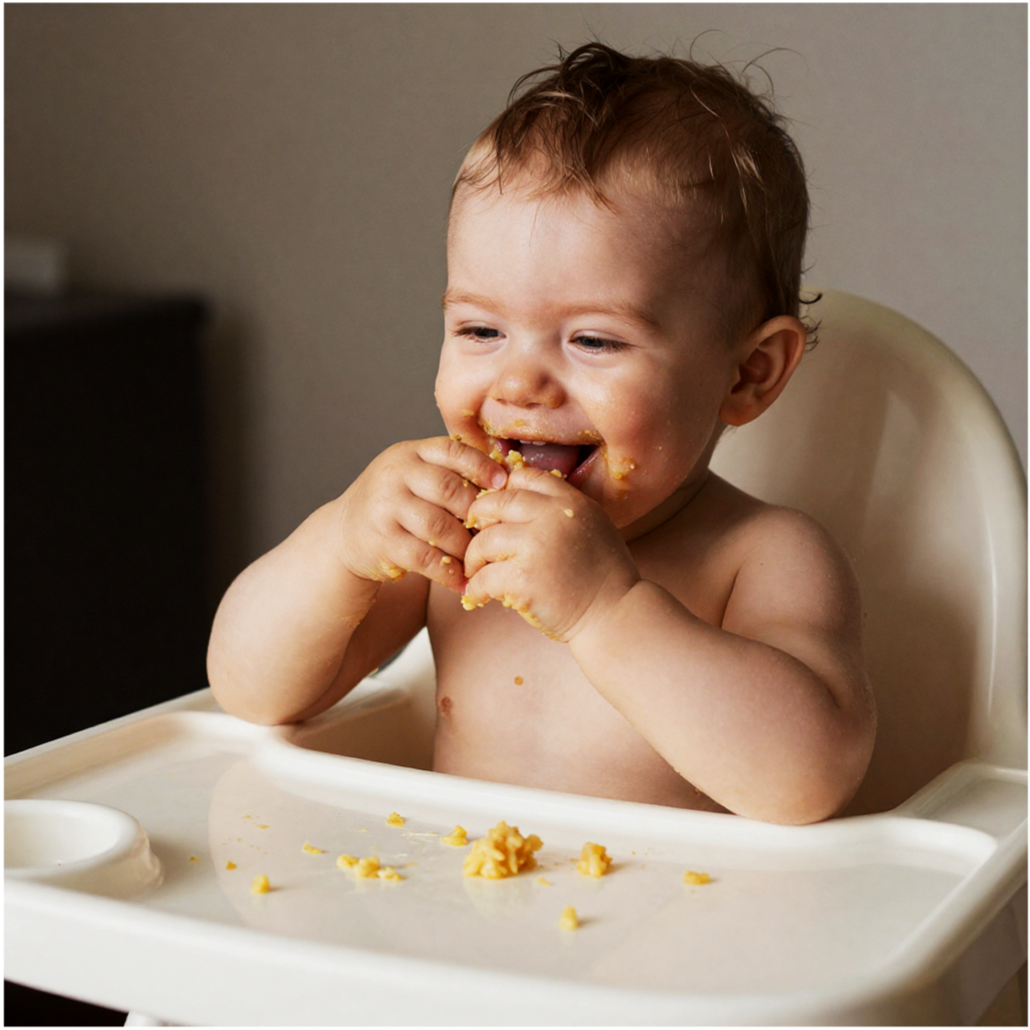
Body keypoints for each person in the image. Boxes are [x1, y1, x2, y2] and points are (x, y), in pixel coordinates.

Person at [207, 43, 876, 824]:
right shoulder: (453, 535)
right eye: (481, 329)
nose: (519, 385)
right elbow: (251, 691)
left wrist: (607, 610)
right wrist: (342, 542)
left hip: (678, 937)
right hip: (457, 920)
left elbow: (808, 778)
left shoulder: (763, 559)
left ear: (746, 374)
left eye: (593, 341)